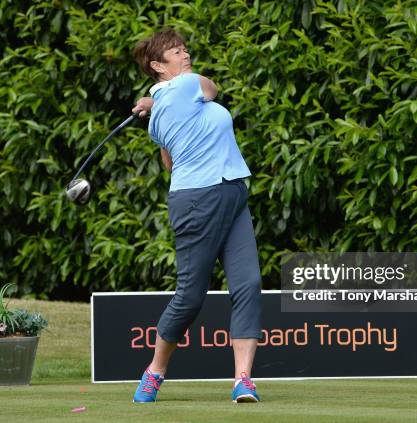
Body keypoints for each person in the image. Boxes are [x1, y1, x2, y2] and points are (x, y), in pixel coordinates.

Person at [130, 28, 263, 403]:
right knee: (190, 295)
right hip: (197, 200)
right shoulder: (185, 87)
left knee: (248, 285)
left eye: (185, 49)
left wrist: (154, 103)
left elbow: (168, 159)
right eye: (175, 52)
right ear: (157, 65)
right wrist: (157, 100)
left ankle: (243, 380)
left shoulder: (166, 105)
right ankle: (155, 371)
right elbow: (212, 87)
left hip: (233, 190)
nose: (185, 55)